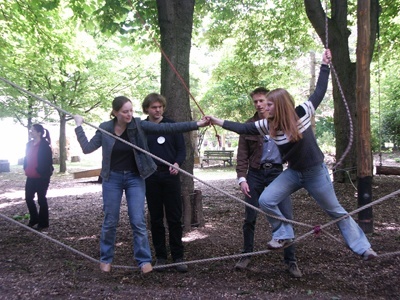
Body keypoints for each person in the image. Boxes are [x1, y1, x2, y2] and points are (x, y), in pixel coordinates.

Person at [207, 49, 377, 261]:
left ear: (278, 105)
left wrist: (325, 65)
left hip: (315, 172)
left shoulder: (302, 113)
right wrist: (216, 120)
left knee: (335, 211)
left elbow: (320, 91)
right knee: (266, 200)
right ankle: (283, 233)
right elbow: (243, 128)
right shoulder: (267, 124)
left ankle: (363, 248)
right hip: (294, 172)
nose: (264, 107)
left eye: (268, 104)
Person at [74, 95, 209, 274]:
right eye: (125, 111)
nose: (129, 114)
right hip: (112, 178)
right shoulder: (105, 128)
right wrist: (78, 126)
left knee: (138, 220)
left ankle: (144, 260)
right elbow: (87, 148)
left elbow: (170, 128)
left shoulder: (138, 125)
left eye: (131, 110)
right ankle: (106, 259)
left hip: (134, 178)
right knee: (110, 220)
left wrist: (197, 124)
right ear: (115, 112)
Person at [234, 87, 302, 277]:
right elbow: (242, 155)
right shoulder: (249, 125)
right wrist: (242, 178)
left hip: (277, 173)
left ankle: (291, 260)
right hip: (254, 174)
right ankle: (246, 255)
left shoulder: (282, 121)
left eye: (262, 101)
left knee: (286, 216)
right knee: (250, 217)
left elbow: (297, 145)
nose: (259, 104)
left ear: (268, 101)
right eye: (255, 101)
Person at [142, 93, 188, 273]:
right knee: (156, 218)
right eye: (154, 107)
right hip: (151, 177)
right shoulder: (141, 128)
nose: (157, 110)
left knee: (174, 217)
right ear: (147, 108)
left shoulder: (172, 125)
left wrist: (176, 164)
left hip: (170, 177)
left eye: (160, 106)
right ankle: (161, 256)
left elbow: (181, 150)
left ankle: (178, 256)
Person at [23, 124, 54, 231]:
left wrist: (40, 172)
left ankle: (43, 222)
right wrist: (25, 167)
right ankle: (34, 219)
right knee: (28, 198)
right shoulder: (29, 144)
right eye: (30, 130)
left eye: (33, 130)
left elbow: (48, 162)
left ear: (39, 133)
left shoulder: (45, 145)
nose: (30, 132)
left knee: (41, 199)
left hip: (41, 177)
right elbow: (26, 157)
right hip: (30, 176)